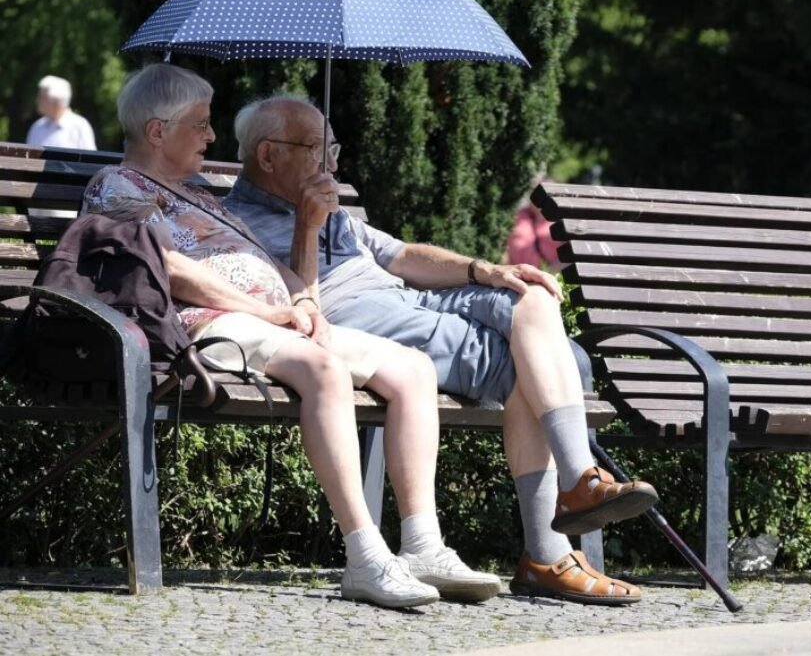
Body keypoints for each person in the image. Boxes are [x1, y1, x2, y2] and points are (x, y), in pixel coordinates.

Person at [82, 64, 501, 609]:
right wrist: (265, 311)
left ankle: (423, 544)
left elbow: (268, 264)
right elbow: (169, 267)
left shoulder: (205, 196)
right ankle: (365, 556)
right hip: (205, 325)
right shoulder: (118, 186)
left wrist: (303, 300)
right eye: (201, 124)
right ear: (158, 132)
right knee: (324, 370)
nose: (211, 137)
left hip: (269, 322)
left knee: (413, 368)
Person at [224, 95, 659, 606]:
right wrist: (307, 227)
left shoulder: (334, 211)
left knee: (532, 296)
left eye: (333, 148)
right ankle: (549, 551)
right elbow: (307, 311)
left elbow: (402, 255)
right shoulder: (236, 225)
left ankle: (577, 481)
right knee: (549, 364)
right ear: (268, 155)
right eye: (318, 150)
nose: (333, 164)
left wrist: (484, 270)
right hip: (355, 320)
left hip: (410, 298)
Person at [27, 75, 98, 218]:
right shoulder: (37, 127)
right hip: (35, 195)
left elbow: (91, 167)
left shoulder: (79, 126)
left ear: (55, 101)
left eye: (42, 96)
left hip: (68, 197)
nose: (37, 100)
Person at [504, 175, 563, 271]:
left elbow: (569, 256)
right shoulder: (519, 215)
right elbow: (504, 245)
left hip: (548, 275)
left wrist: (549, 272)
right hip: (515, 274)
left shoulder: (560, 221)